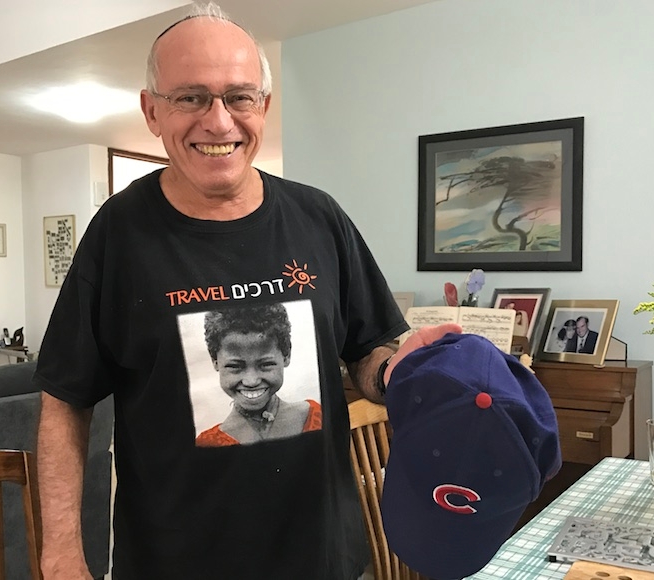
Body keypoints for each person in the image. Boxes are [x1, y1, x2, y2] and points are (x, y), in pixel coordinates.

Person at [33, 4, 456, 579]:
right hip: (174, 562)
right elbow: (65, 398)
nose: (219, 121)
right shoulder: (119, 231)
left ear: (264, 108)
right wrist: (60, 553)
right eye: (190, 97)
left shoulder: (318, 216)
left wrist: (396, 372)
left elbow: (367, 349)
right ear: (151, 110)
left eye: (239, 97)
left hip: (322, 559)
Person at [195, 303, 321, 446]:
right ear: (215, 361)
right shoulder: (206, 444)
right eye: (235, 366)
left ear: (286, 355)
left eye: (266, 364)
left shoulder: (315, 416)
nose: (251, 381)